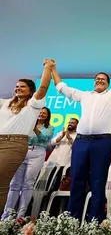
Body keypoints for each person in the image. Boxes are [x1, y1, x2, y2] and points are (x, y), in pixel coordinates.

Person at [51, 47, 111, 223]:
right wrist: (52, 69)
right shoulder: (84, 96)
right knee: (77, 180)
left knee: (98, 182)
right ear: (94, 82)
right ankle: (72, 221)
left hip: (101, 143)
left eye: (103, 79)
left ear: (108, 84)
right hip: (81, 142)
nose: (99, 80)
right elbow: (61, 87)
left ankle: (95, 222)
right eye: (97, 79)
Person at [0, 59, 54, 213]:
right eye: (16, 86)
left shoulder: (33, 105)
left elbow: (43, 86)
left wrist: (48, 68)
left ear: (31, 90)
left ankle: (9, 218)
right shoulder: (4, 103)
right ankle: (7, 217)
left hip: (14, 145)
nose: (18, 89)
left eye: (22, 87)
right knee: (11, 185)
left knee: (2, 182)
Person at [2, 107, 54, 219]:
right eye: (40, 112)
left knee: (28, 184)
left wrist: (33, 127)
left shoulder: (49, 128)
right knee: (14, 184)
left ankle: (20, 216)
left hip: (37, 153)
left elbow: (44, 137)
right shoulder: (26, 124)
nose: (41, 114)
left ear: (47, 116)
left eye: (44, 113)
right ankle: (6, 216)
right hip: (22, 151)